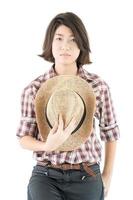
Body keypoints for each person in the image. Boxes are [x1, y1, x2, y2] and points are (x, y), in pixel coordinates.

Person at [16, 12, 120, 200]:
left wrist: (107, 176)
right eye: (59, 39)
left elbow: (110, 133)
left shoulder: (98, 86)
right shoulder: (34, 89)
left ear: (82, 45)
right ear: (50, 43)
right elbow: (24, 138)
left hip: (87, 174)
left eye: (73, 40)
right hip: (45, 176)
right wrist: (47, 145)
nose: (66, 46)